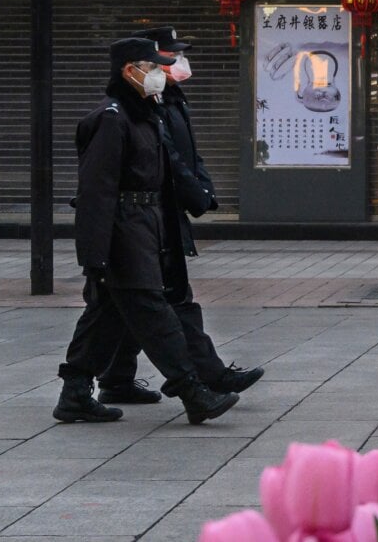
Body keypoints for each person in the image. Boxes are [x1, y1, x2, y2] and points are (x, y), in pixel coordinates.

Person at [52, 38, 239, 425]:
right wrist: (94, 254)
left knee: (106, 314)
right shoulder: (111, 118)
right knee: (154, 314)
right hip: (124, 230)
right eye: (151, 67)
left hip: (145, 225)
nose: (158, 73)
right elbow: (97, 190)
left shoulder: (144, 114)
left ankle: (75, 393)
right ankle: (192, 391)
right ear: (129, 71)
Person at [94, 25, 265, 406]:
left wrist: (204, 189)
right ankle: (201, 379)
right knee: (157, 301)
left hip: (158, 215)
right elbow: (163, 159)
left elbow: (189, 153)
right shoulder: (128, 111)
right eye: (167, 58)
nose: (175, 63)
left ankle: (115, 379)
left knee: (126, 305)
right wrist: (194, 194)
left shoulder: (170, 99)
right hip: (144, 217)